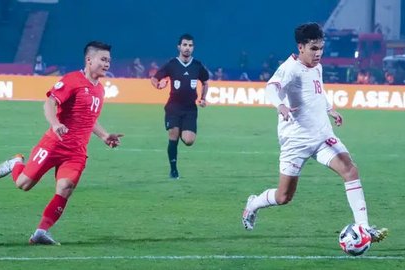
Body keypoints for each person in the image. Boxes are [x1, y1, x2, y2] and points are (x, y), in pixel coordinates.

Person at [241, 23, 388, 243]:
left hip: (321, 136)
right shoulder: (290, 68)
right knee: (284, 197)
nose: (318, 53)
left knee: (350, 170)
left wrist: (330, 109)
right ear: (301, 47)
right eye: (313, 48)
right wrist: (280, 105)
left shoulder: (316, 66)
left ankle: (364, 228)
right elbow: (271, 87)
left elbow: (318, 91)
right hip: (296, 141)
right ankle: (254, 203)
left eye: (321, 48)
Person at [0, 41, 123, 245]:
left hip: (76, 152)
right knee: (24, 184)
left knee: (66, 187)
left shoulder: (99, 90)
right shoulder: (72, 80)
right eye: (103, 59)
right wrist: (55, 124)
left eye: (109, 61)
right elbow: (50, 103)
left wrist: (105, 136)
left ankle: (41, 232)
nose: (107, 64)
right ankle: (16, 162)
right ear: (89, 60)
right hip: (53, 144)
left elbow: (88, 119)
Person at [150, 33, 209, 179]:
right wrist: (159, 85)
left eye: (190, 45)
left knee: (189, 141)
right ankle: (173, 170)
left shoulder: (197, 65)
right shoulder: (172, 64)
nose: (187, 48)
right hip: (173, 107)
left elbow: (205, 82)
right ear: (179, 47)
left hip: (190, 109)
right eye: (184, 45)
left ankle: (182, 128)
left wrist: (203, 98)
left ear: (193, 48)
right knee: (173, 136)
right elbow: (154, 78)